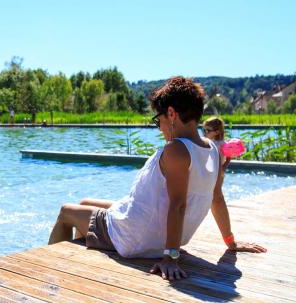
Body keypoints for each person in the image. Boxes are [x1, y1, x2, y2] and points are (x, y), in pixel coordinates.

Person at [48, 77, 266, 281]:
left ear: (171, 114)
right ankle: (83, 258)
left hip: (135, 236)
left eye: (158, 120)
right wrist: (230, 241)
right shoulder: (213, 151)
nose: (160, 127)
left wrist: (170, 257)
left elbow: (178, 205)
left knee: (66, 211)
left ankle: (51, 274)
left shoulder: (177, 150)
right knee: (85, 204)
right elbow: (216, 197)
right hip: (153, 229)